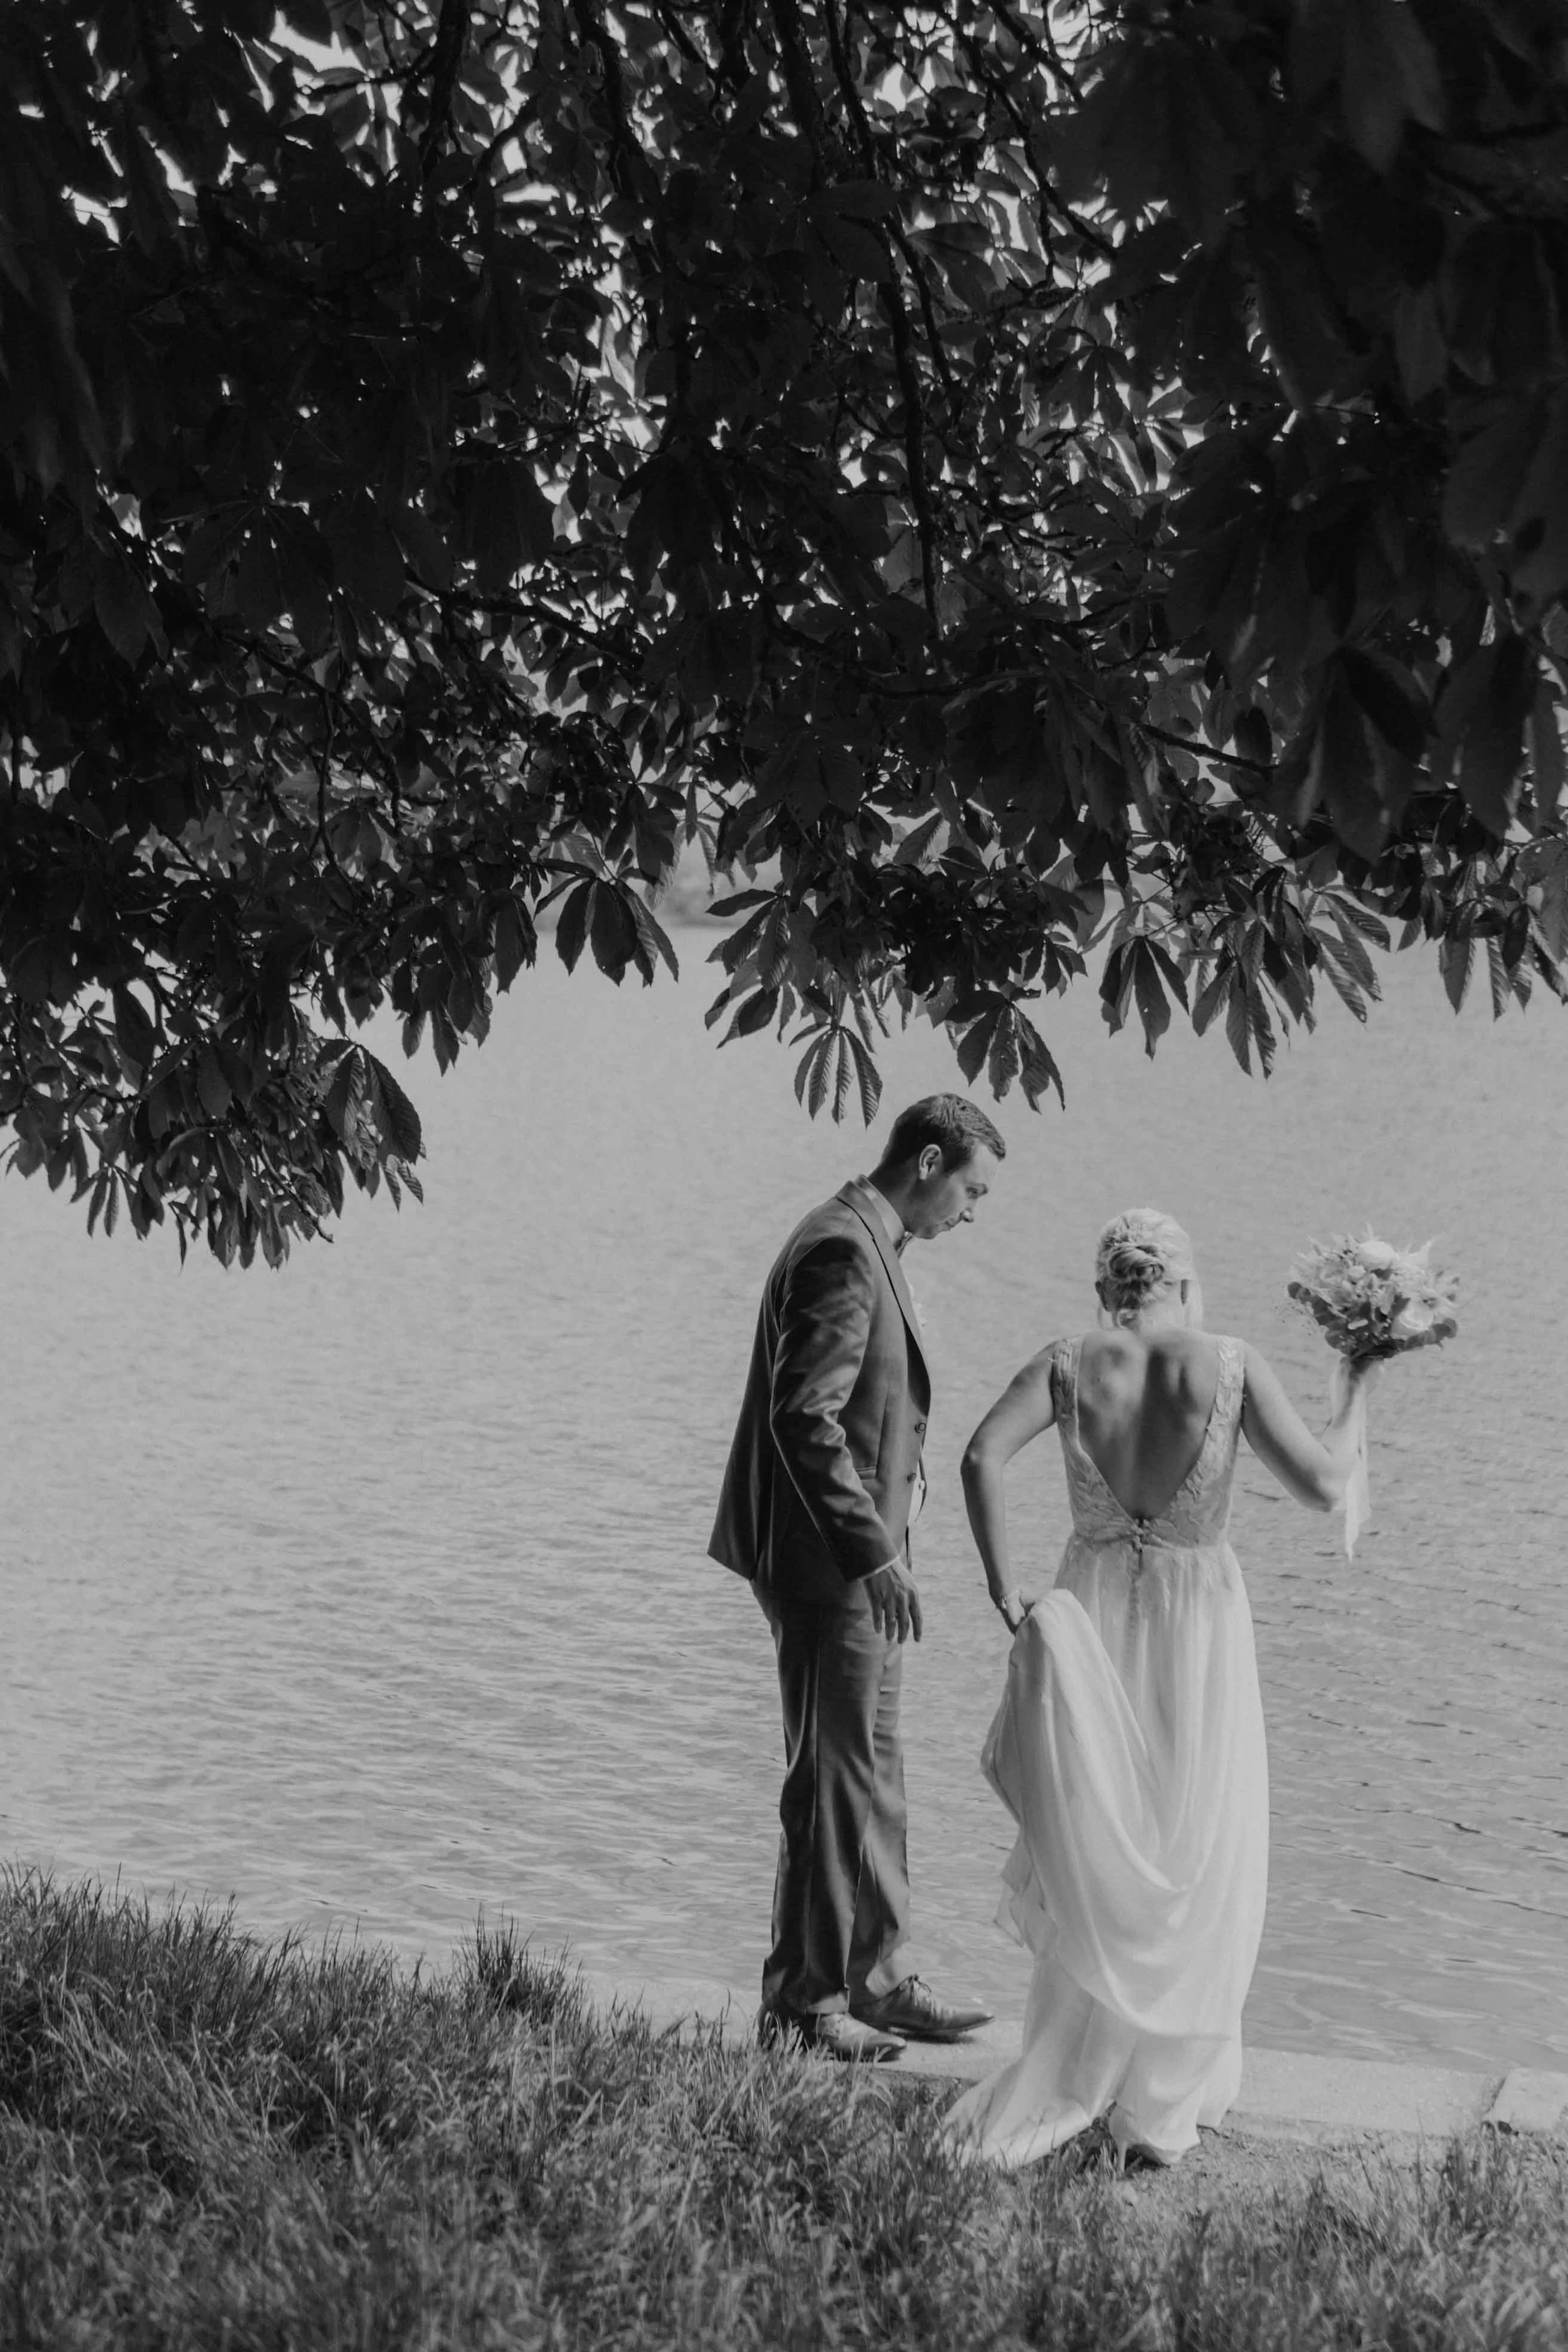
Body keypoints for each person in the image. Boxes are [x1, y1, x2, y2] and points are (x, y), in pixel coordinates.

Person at [946, 1207, 1376, 2163]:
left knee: (1103, 1840)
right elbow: (1321, 1484)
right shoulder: (1226, 1363)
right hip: (1198, 1628)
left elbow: (979, 1457)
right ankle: (1159, 2097)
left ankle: (1077, 2062)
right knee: (1194, 1846)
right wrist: (1359, 1388)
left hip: (1093, 1610)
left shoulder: (1069, 1362)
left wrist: (1006, 1590)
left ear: (1107, 1290)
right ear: (1182, 1283)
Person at [711, 1094, 1006, 2060]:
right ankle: (800, 2004)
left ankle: (875, 1979)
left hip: (865, 1562)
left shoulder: (875, 1244)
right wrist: (874, 1551)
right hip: (827, 1561)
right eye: (971, 1188)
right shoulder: (841, 1247)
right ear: (927, 1162)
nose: (972, 1212)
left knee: (875, 1772)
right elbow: (808, 1417)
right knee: (832, 1777)